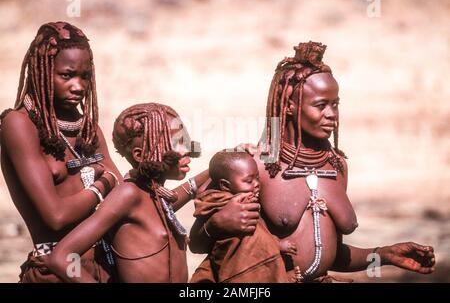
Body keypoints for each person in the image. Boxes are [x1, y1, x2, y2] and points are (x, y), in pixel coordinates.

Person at [189, 41, 436, 282]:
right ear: (288, 106)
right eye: (320, 105)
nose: (331, 114)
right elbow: (198, 242)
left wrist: (384, 254)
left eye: (335, 105)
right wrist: (218, 224)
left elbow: (331, 255)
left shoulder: (336, 165)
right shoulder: (255, 165)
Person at [0, 22, 122, 282]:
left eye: (85, 76)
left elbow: (124, 198)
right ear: (41, 73)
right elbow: (55, 216)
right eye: (67, 75)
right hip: (57, 271)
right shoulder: (19, 125)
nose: (78, 86)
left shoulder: (88, 128)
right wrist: (103, 185)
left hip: (106, 265)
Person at [47, 103, 203, 282]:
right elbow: (62, 257)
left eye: (185, 141)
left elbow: (171, 200)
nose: (187, 153)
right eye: (176, 144)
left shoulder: (153, 196)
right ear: (139, 155)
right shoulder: (128, 194)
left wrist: (219, 165)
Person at [191, 151, 294, 283]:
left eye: (257, 177)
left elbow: (260, 232)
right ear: (225, 185)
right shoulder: (229, 203)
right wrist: (277, 244)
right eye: (249, 181)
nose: (256, 184)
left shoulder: (246, 199)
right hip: (240, 271)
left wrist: (276, 244)